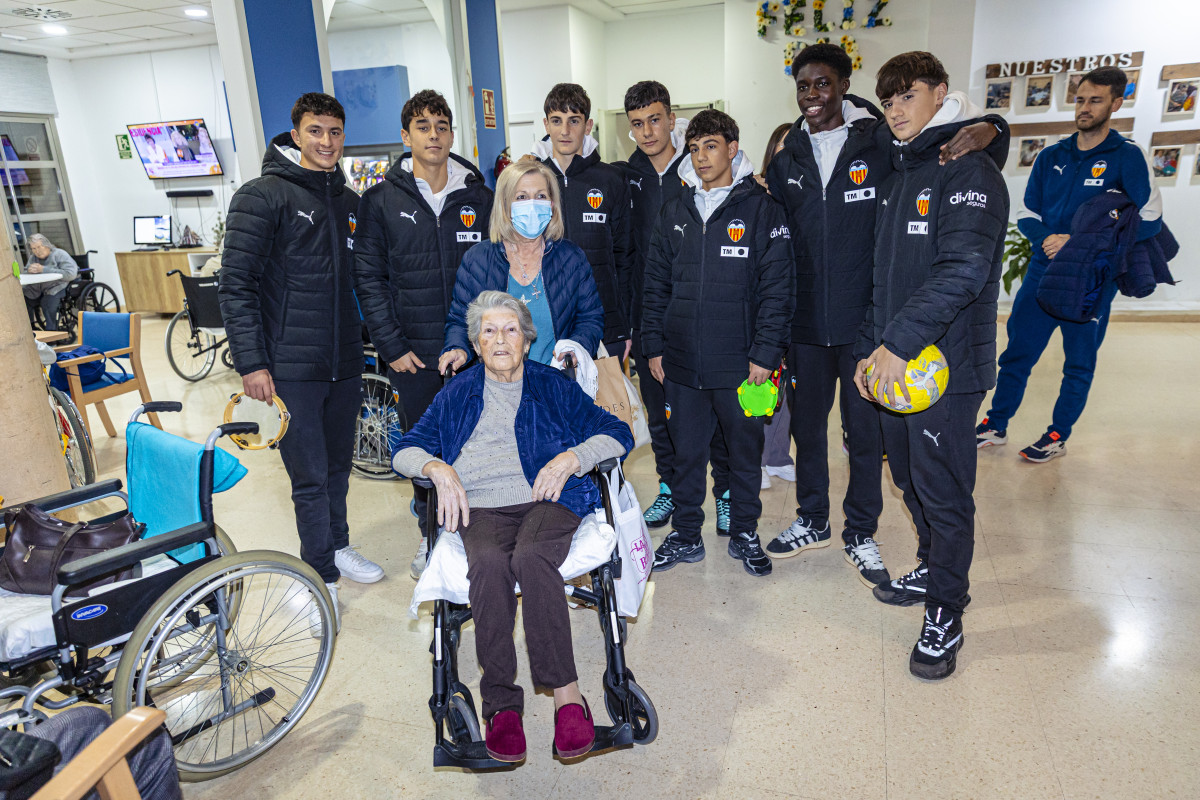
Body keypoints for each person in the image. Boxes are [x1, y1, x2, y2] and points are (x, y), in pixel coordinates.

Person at [764, 43, 1004, 588]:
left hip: (868, 326)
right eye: (803, 86)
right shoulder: (787, 155)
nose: (812, 95)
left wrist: (993, 126)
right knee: (807, 429)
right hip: (806, 324)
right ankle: (812, 518)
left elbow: (941, 143)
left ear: (844, 87)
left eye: (823, 83)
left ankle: (861, 530)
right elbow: (767, 226)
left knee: (866, 435)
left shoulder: (877, 141)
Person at [394, 291, 634, 764]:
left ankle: (567, 697)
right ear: (476, 344)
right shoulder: (457, 393)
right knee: (486, 562)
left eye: (510, 330)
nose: (500, 339)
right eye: (489, 331)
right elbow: (406, 448)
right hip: (481, 507)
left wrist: (573, 458)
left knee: (531, 555)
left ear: (526, 340)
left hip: (550, 499)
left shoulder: (553, 385)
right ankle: (501, 705)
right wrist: (436, 468)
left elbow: (617, 432)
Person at [853, 52, 1008, 679]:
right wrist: (871, 350)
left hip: (947, 371)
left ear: (941, 93)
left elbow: (964, 270)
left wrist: (898, 343)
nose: (895, 109)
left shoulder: (968, 169)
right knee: (909, 481)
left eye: (908, 95)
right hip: (895, 365)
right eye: (888, 99)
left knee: (943, 493)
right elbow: (883, 279)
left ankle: (947, 609)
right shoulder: (902, 171)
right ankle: (931, 564)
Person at [219, 92, 384, 632]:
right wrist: (252, 363)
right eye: (315, 131)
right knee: (309, 477)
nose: (326, 142)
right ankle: (320, 577)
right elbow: (235, 285)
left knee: (338, 468)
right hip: (289, 366)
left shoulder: (348, 201)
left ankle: (337, 546)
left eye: (335, 132)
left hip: (344, 361)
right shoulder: (262, 196)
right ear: (295, 134)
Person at [976, 66, 1162, 462]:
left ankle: (1057, 435)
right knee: (1017, 354)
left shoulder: (1128, 157)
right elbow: (1027, 213)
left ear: (1116, 103)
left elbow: (1149, 221)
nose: (1085, 108)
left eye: (1095, 100)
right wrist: (1048, 240)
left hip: (1093, 280)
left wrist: (1077, 245)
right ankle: (995, 424)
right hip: (1043, 272)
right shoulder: (1051, 156)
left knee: (1078, 364)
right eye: (1080, 99)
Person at [641, 109, 794, 578]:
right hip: (683, 364)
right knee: (686, 455)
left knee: (744, 456)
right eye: (694, 148)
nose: (701, 157)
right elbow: (655, 285)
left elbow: (778, 290)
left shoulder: (762, 209)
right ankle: (686, 534)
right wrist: (654, 346)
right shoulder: (675, 210)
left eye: (711, 146)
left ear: (732, 148)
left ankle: (745, 533)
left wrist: (765, 354)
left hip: (742, 366)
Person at [354, 89, 494, 581]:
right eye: (422, 126)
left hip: (474, 353)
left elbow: (497, 273)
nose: (433, 135)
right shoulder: (379, 201)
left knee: (477, 442)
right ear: (405, 135)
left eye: (441, 126)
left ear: (452, 134)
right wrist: (391, 345)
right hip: (412, 355)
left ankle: (476, 532)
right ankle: (429, 534)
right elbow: (369, 279)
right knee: (424, 448)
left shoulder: (479, 198)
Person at [619, 80, 732, 535]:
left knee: (717, 414)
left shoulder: (699, 166)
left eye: (655, 120)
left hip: (701, 314)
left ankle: (725, 493)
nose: (647, 132)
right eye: (637, 124)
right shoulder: (624, 177)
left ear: (671, 118)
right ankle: (669, 488)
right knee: (660, 412)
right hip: (650, 316)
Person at [439, 159, 605, 373]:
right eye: (521, 197)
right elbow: (460, 321)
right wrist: (458, 348)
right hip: (497, 383)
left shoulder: (571, 258)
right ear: (505, 205)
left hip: (557, 382)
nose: (533, 204)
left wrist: (576, 347)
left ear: (552, 204)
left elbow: (590, 318)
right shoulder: (477, 260)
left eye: (541, 196)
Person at [536, 83, 633, 356]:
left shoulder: (611, 180)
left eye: (574, 121)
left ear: (588, 126)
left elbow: (624, 258)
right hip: (545, 324)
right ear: (546, 125)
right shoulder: (532, 181)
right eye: (557, 121)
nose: (565, 131)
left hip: (603, 324)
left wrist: (623, 326)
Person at [755, 122, 796, 490]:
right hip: (766, 304)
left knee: (787, 389)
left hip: (799, 305)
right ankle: (757, 460)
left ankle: (779, 455)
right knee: (763, 386)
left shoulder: (804, 189)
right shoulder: (757, 192)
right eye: (782, 146)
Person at [21, 233, 77, 331]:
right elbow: (25, 272)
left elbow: (71, 274)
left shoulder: (60, 254)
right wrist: (28, 271)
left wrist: (44, 269)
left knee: (47, 302)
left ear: (46, 245)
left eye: (39, 247)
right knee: (23, 298)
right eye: (34, 248)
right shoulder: (33, 258)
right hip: (38, 288)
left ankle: (52, 332)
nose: (37, 251)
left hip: (56, 287)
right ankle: (31, 328)